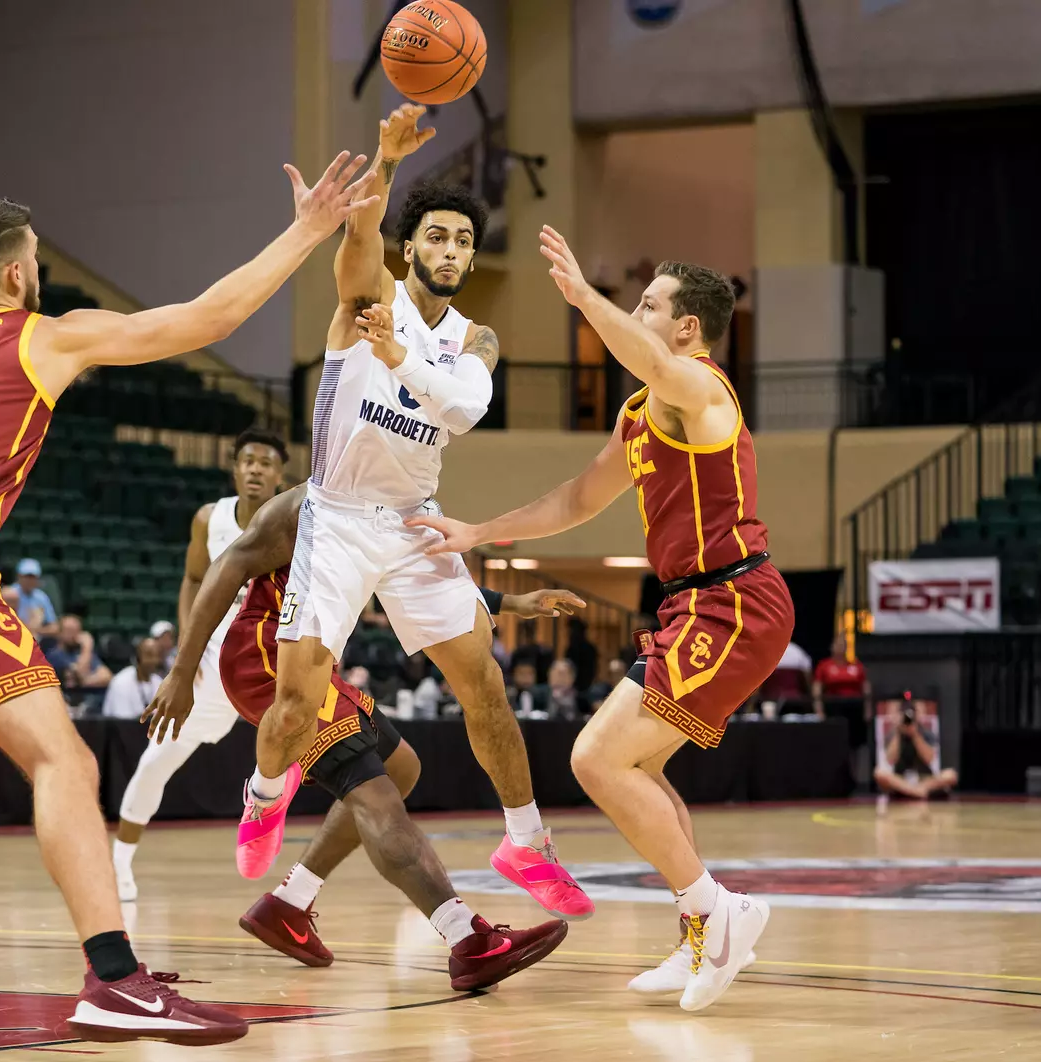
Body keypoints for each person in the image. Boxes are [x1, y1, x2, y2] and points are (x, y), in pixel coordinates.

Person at [0, 154, 377, 1042]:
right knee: (67, 764)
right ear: (16, 271)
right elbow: (211, 316)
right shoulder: (44, 335)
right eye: (36, 256)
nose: (39, 268)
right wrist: (309, 230)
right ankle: (114, 980)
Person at [411, 243, 791, 1012]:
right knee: (637, 768)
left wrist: (586, 297)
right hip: (694, 604)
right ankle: (701, 933)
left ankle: (721, 915)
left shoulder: (701, 390)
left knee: (596, 760)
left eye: (649, 305)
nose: (636, 313)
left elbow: (646, 354)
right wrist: (480, 530)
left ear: (686, 329)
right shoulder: (640, 414)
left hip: (734, 598)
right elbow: (577, 500)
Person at [242, 106, 593, 923]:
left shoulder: (478, 337)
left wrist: (405, 362)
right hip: (335, 516)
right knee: (296, 704)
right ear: (413, 248)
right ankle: (264, 793)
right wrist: (388, 161)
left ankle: (525, 839)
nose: (451, 251)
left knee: (486, 687)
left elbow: (467, 409)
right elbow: (358, 237)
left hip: (413, 521)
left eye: (464, 242)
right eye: (436, 237)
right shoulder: (369, 297)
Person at [143, 481, 580, 985]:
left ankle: (289, 902)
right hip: (265, 660)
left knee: (402, 767)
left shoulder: (391, 502)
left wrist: (509, 603)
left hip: (317, 661)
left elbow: (410, 582)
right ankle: (467, 938)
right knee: (376, 796)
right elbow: (226, 568)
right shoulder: (304, 506)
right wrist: (181, 672)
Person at [112, 428, 287, 901]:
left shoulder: (292, 520)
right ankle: (120, 863)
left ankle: (295, 873)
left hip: (269, 659)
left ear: (279, 475)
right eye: (247, 460)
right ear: (234, 468)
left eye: (265, 463)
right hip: (213, 663)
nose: (255, 469)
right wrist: (188, 656)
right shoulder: (209, 518)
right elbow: (193, 580)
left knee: (313, 746)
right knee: (157, 760)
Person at [873, 704, 959, 800]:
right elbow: (890, 759)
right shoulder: (893, 734)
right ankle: (916, 792)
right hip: (901, 780)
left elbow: (929, 759)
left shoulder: (925, 733)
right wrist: (898, 732)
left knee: (951, 775)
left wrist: (915, 734)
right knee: (879, 773)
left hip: (924, 779)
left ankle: (915, 791)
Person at [813, 633, 872, 742]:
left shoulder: (856, 666)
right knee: (834, 740)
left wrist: (867, 709)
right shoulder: (824, 666)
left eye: (843, 644)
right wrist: (819, 710)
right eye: (838, 644)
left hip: (854, 708)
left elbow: (866, 688)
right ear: (832, 647)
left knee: (855, 741)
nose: (841, 647)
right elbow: (817, 689)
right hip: (833, 708)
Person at [101, 637, 165, 720]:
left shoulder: (159, 682)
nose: (154, 660)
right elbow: (122, 722)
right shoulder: (121, 682)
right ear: (137, 658)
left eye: (157, 656)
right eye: (149, 655)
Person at [47, 611, 111, 693]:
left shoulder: (81, 652)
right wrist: (87, 647)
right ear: (60, 633)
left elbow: (107, 676)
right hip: (69, 699)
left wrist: (85, 681)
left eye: (77, 631)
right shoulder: (55, 655)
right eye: (70, 631)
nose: (74, 635)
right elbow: (80, 674)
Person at [4, 558, 58, 636]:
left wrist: (36, 630)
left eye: (33, 577)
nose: (29, 580)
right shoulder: (10, 594)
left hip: (36, 638)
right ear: (19, 576)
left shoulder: (41, 597)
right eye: (27, 576)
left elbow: (54, 627)